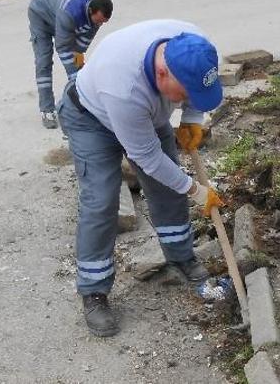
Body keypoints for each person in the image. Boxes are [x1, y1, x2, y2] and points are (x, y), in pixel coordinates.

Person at [57, 19, 224, 337]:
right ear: (162, 74)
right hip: (91, 119)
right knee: (102, 199)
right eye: (184, 94)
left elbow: (198, 90)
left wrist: (191, 120)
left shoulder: (195, 46)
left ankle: (181, 257)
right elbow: (147, 159)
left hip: (146, 112)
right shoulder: (124, 88)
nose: (186, 97)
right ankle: (94, 290)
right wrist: (195, 190)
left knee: (166, 188)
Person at [28, 0, 113, 129]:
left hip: (59, 13)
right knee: (44, 60)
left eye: (102, 22)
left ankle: (83, 102)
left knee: (77, 67)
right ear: (91, 10)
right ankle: (47, 110)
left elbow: (79, 48)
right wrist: (75, 79)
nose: (100, 24)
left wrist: (81, 73)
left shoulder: (100, 8)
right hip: (40, 13)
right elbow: (63, 47)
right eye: (98, 21)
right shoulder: (69, 12)